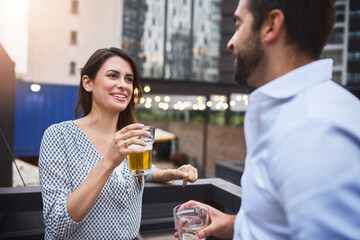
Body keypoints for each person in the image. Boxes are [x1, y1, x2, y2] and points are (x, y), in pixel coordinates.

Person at [176, 0, 360, 239]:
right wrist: (236, 225)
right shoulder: (297, 115)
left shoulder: (315, 129)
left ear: (271, 25)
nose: (230, 43)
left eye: (239, 25)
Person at [39, 47, 198, 240]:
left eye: (129, 79)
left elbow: (142, 171)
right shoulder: (58, 136)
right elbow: (56, 225)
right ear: (88, 83)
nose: (123, 85)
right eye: (113, 76)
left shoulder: (131, 135)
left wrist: (169, 173)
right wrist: (108, 161)